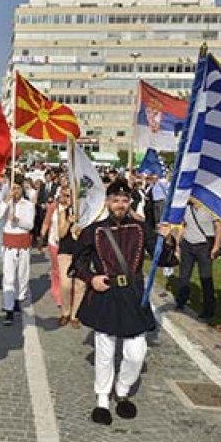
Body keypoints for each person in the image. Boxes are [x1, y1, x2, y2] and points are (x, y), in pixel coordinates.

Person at [72, 180, 175, 426]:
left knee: (136, 353)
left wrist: (168, 239)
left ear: (129, 202)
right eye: (115, 200)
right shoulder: (93, 230)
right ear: (107, 202)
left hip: (133, 294)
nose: (120, 204)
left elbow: (164, 260)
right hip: (106, 293)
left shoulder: (141, 229)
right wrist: (91, 278)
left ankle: (123, 389)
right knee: (105, 352)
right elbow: (78, 263)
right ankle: (102, 399)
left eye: (124, 200)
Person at [174, 199, 221, 320]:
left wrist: (216, 247)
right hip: (187, 244)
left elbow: (218, 228)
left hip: (204, 245)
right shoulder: (186, 208)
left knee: (205, 277)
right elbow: (183, 225)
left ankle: (208, 309)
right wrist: (178, 243)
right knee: (184, 275)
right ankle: (181, 301)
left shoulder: (210, 207)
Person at [0, 182, 35, 326]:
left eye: (18, 188)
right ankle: (8, 309)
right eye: (13, 188)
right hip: (9, 245)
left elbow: (30, 225)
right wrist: (6, 202)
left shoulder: (28, 205)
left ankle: (19, 299)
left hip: (23, 244)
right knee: (8, 277)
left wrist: (17, 220)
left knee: (22, 276)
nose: (15, 191)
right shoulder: (6, 203)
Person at [56, 188, 85, 328]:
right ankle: (65, 312)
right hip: (66, 251)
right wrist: (68, 221)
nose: (70, 199)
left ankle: (75, 314)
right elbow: (61, 234)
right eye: (67, 196)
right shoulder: (63, 212)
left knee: (80, 285)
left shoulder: (87, 213)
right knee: (65, 284)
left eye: (72, 196)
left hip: (82, 252)